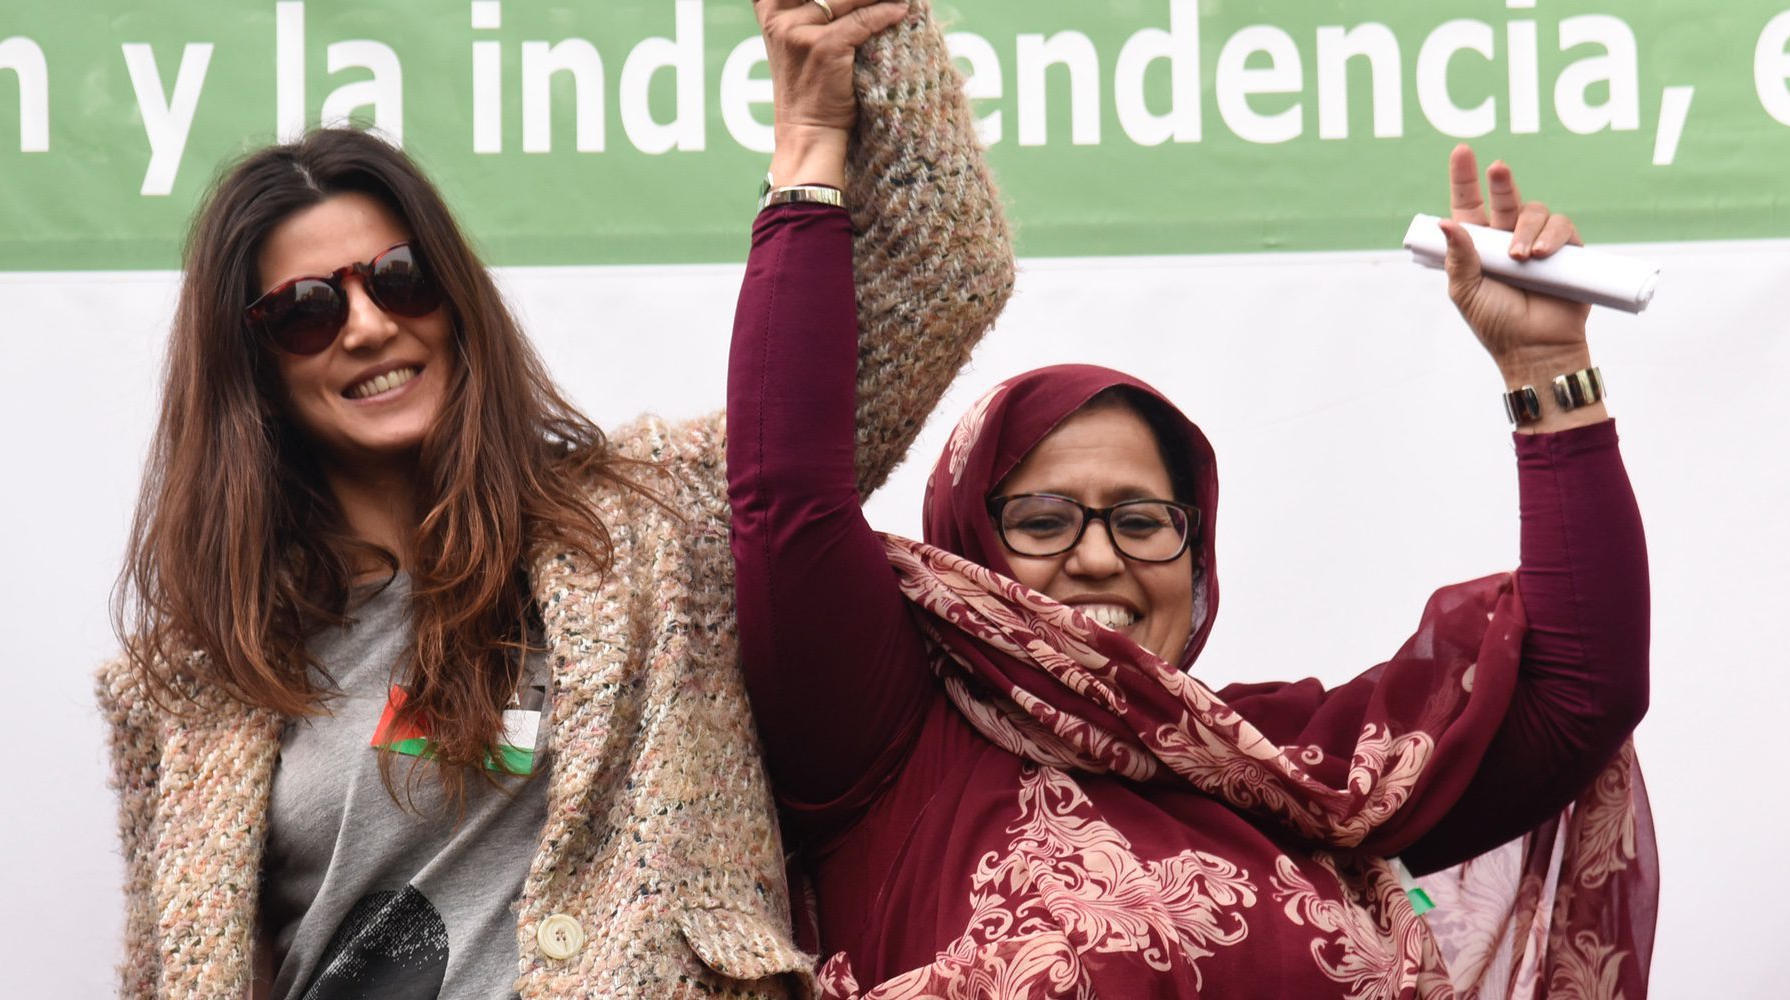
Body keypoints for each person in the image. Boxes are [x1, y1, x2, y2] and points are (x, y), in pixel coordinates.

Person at [95, 1, 1011, 996]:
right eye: (306, 311)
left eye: (398, 279)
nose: (363, 326)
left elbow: (942, 270)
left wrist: (822, 115)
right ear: (253, 369)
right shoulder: (187, 687)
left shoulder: (656, 516)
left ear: (454, 298)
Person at [728, 143, 1657, 996]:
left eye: (1141, 520)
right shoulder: (888, 744)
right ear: (967, 543)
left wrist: (1548, 365)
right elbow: (788, 495)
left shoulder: (1296, 772)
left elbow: (1581, 689)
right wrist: (810, 149)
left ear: (1196, 552)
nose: (1098, 557)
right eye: (1043, 520)